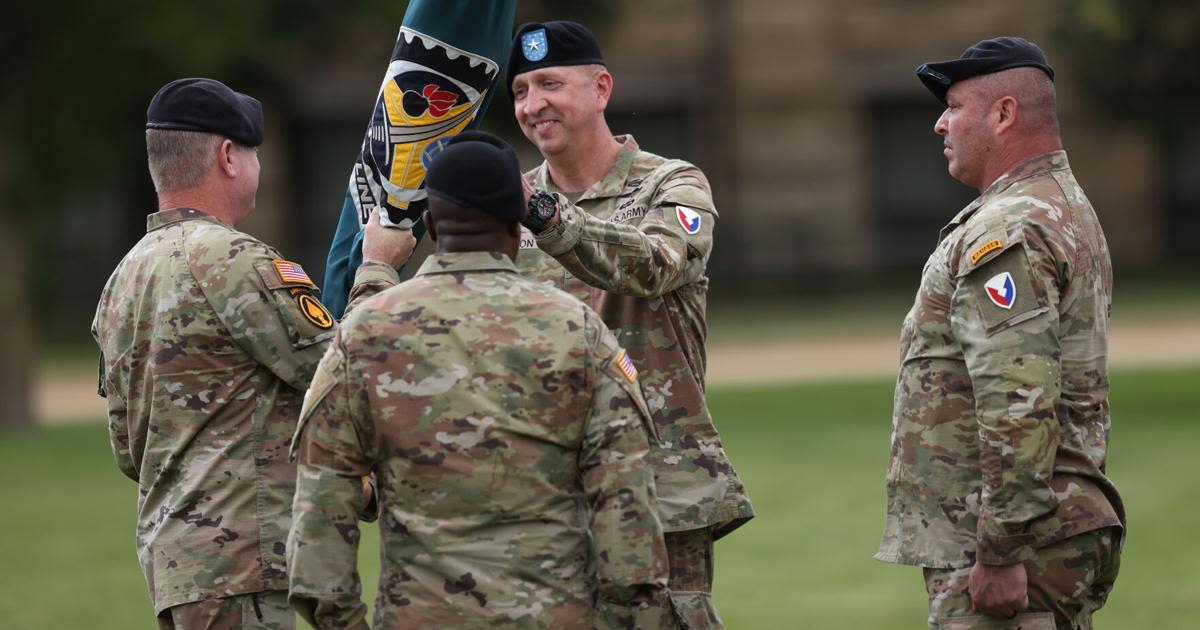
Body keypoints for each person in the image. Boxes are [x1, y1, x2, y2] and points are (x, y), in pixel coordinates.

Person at [287, 130, 674, 629]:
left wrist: (342, 622)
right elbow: (626, 502)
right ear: (517, 227)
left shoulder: (365, 334)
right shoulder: (576, 329)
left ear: (429, 223)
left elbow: (321, 503)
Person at [91, 77, 415, 629]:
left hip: (179, 567)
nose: (259, 165)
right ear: (227, 157)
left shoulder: (123, 278)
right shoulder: (234, 261)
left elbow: (128, 448)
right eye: (254, 153)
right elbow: (346, 369)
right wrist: (377, 268)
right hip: (245, 563)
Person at [506, 21, 754, 627]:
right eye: (519, 91)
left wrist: (543, 216)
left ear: (601, 89)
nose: (533, 104)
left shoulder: (671, 183)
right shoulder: (504, 203)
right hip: (539, 490)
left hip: (655, 483)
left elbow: (658, 266)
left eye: (550, 83)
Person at [875, 37, 1126, 629]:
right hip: (1051, 526)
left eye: (955, 106)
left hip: (1015, 544)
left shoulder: (1012, 225)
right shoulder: (1056, 205)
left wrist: (1002, 548)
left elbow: (1018, 397)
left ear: (1004, 113)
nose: (940, 124)